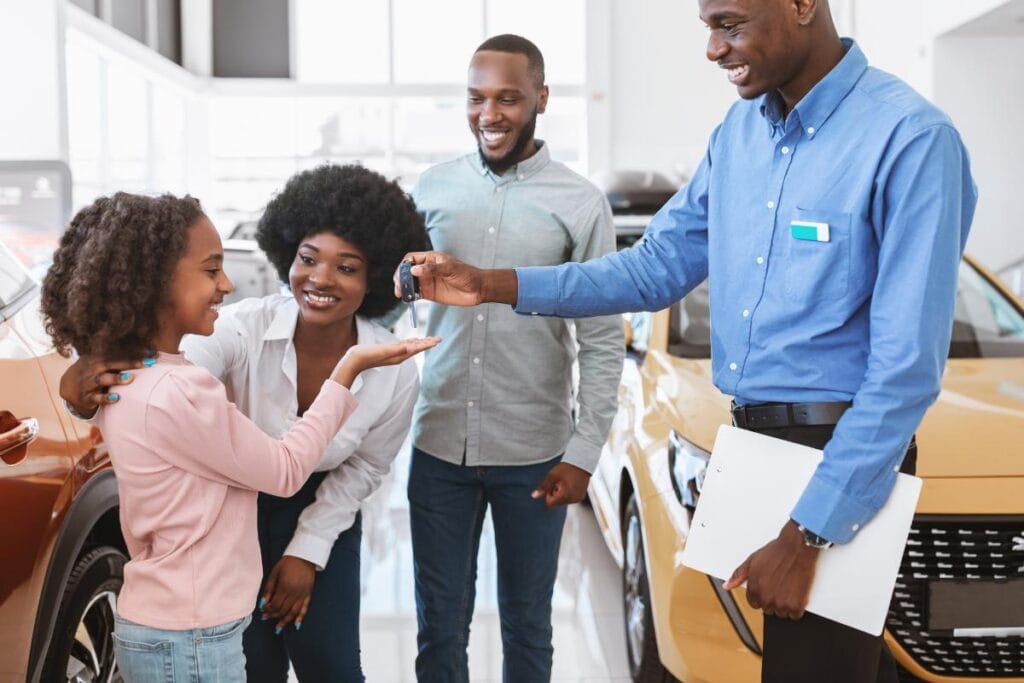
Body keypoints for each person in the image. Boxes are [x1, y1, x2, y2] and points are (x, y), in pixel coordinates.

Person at [396, 2, 977, 682]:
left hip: (838, 457)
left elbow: (904, 371)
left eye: (729, 24)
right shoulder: (738, 135)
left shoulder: (909, 137)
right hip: (752, 446)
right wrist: (489, 284)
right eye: (707, 26)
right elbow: (653, 268)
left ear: (800, 5)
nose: (712, 49)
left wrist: (808, 532)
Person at [41, 192, 437, 682]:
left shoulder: (394, 371)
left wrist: (306, 549)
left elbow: (366, 467)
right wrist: (82, 386)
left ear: (373, 278)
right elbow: (192, 398)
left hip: (299, 515)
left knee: (332, 666)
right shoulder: (232, 338)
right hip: (224, 544)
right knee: (258, 668)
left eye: (347, 268)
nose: (320, 279)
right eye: (308, 259)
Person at [406, 34, 624, 683]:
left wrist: (584, 453)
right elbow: (393, 310)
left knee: (527, 624)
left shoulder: (580, 202)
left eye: (507, 97)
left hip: (535, 454)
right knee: (438, 625)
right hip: (439, 447)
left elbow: (603, 340)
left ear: (541, 98)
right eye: (476, 99)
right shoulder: (432, 189)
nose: (489, 114)